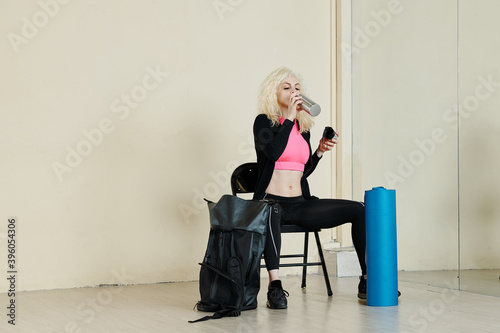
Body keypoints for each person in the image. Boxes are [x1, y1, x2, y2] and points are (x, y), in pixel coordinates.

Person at [253, 67, 367, 309]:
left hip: (300, 204)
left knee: (360, 209)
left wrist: (319, 151)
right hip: (270, 203)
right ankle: (275, 287)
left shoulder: (302, 129)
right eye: (287, 87)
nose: (294, 92)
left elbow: (301, 171)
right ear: (273, 94)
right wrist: (289, 118)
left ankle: (367, 279)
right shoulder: (264, 122)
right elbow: (273, 153)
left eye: (297, 88)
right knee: (271, 211)